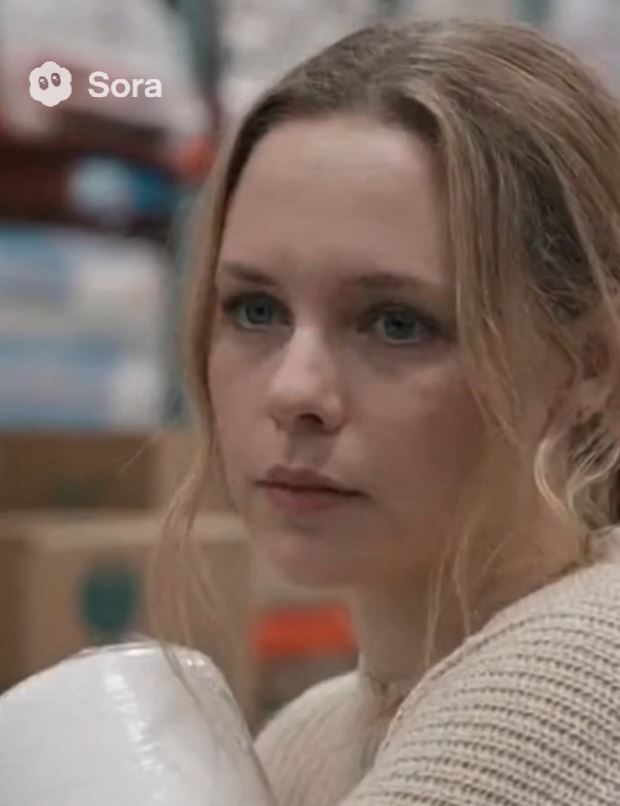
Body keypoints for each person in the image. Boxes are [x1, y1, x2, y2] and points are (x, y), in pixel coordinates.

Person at [162, 17, 620, 805]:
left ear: (588, 365)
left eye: (397, 323)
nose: (294, 391)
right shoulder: (307, 738)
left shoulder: (571, 689)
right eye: (256, 309)